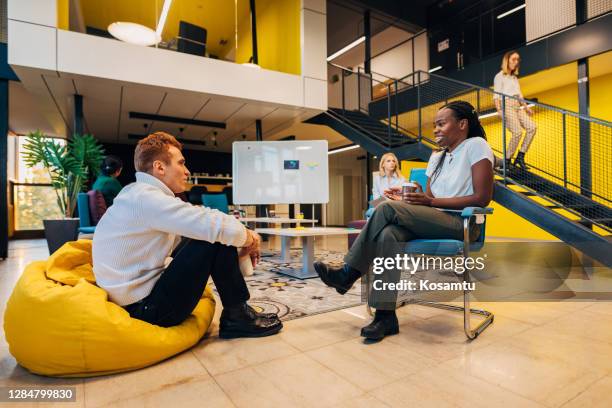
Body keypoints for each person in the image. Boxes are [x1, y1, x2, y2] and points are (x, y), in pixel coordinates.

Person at [314, 101, 494, 341]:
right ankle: (385, 316)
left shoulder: (476, 146)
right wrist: (418, 195)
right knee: (389, 234)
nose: (436, 130)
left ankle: (348, 273)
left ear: (462, 124)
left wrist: (428, 202)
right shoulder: (437, 158)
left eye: (442, 124)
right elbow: (431, 198)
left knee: (387, 210)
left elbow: (482, 198)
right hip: (433, 219)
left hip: (461, 223)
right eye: (435, 125)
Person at [92, 132, 282, 338]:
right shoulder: (146, 198)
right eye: (181, 163)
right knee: (213, 234)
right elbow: (212, 226)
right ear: (159, 167)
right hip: (145, 309)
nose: (187, 171)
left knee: (212, 233)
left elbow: (187, 243)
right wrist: (250, 237)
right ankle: (237, 316)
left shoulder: (136, 195)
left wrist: (237, 249)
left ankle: (237, 313)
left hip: (135, 300)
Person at [493, 50, 537, 169]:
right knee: (517, 132)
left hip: (517, 105)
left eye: (518, 60)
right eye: (513, 59)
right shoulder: (500, 76)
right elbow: (496, 95)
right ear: (507, 61)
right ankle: (506, 160)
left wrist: (526, 107)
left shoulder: (514, 78)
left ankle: (520, 157)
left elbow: (519, 94)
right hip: (506, 104)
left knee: (532, 127)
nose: (516, 62)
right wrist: (499, 110)